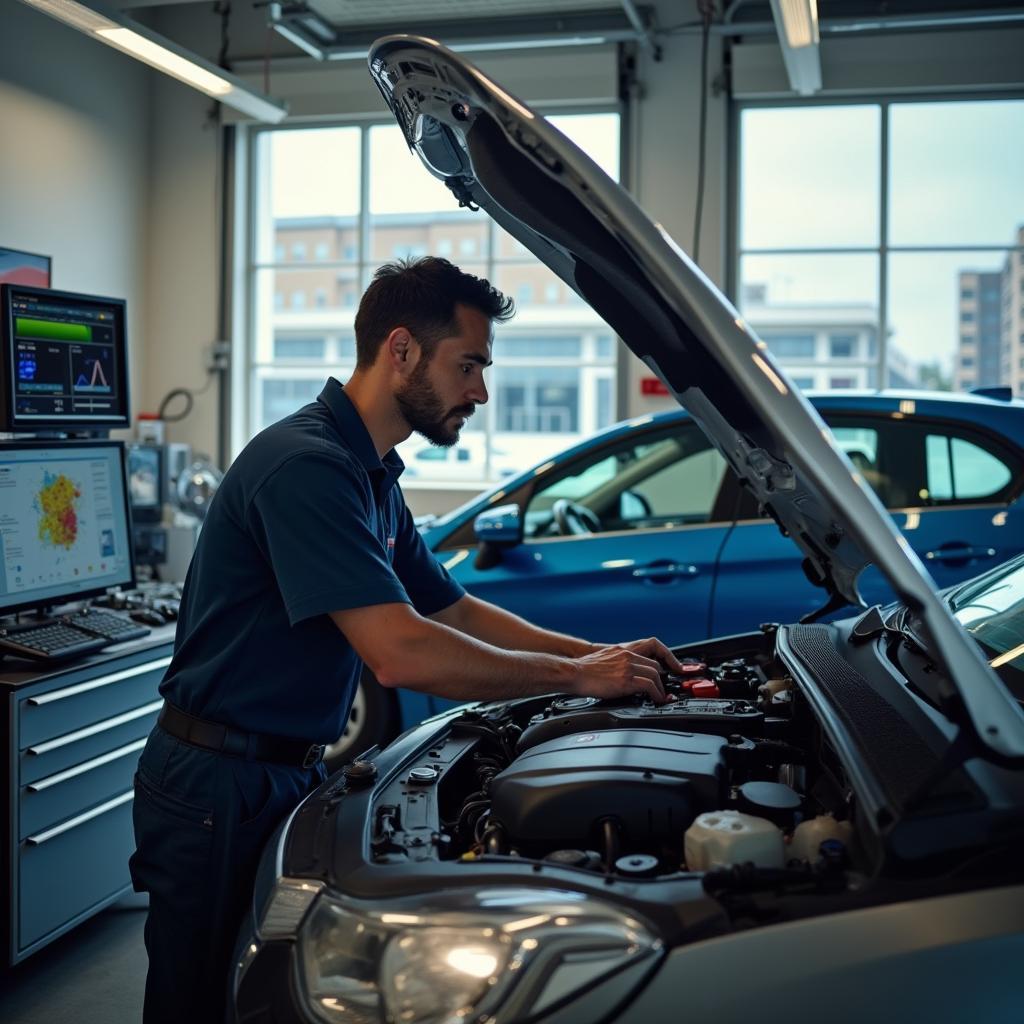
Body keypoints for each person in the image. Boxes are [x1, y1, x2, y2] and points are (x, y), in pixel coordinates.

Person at [129, 257, 683, 1023]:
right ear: (401, 351)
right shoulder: (309, 467)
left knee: (250, 997)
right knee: (197, 1005)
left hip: (276, 771)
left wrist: (591, 658)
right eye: (469, 366)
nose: (480, 392)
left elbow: (452, 611)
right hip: (216, 784)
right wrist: (582, 681)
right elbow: (402, 652)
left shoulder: (370, 473)